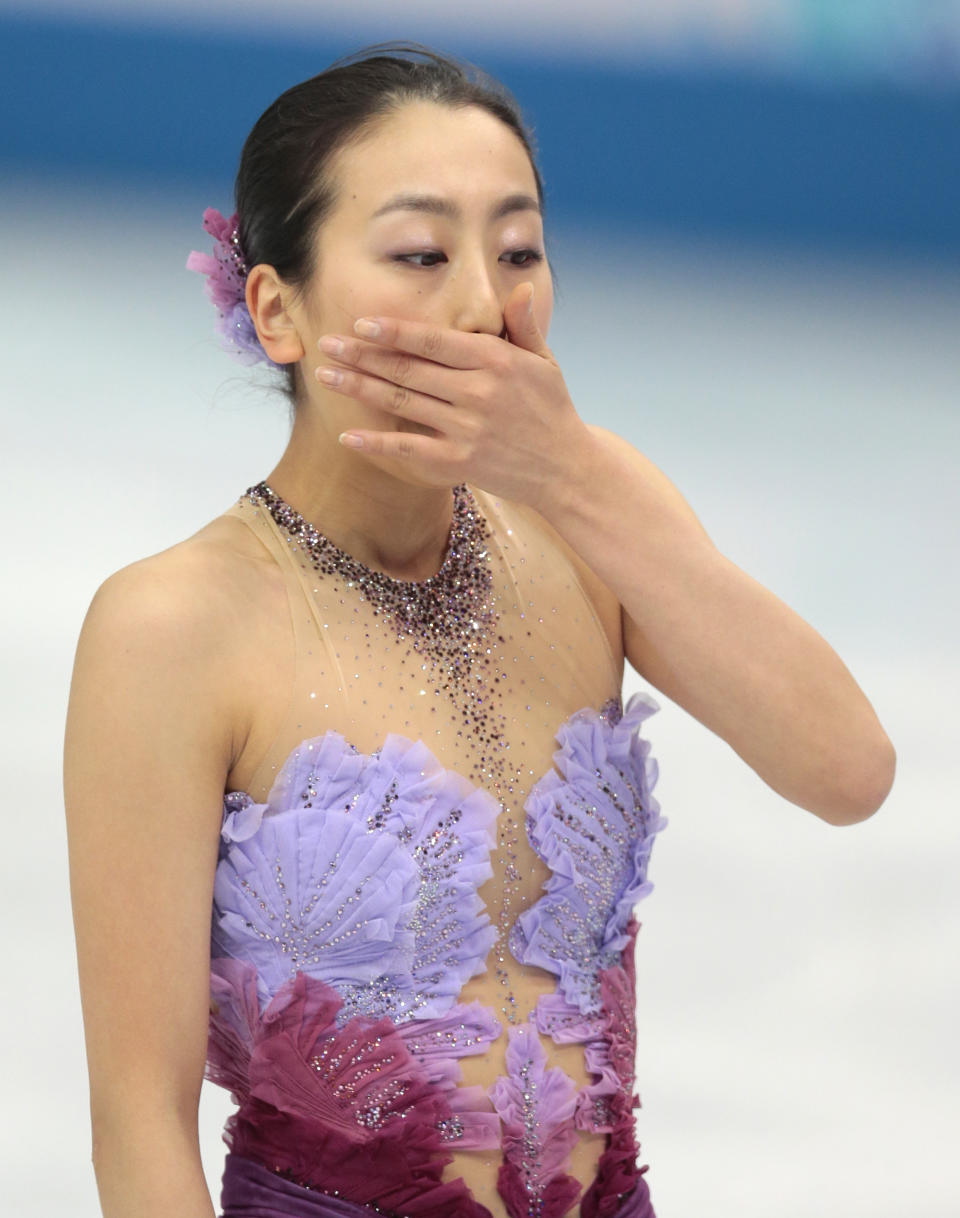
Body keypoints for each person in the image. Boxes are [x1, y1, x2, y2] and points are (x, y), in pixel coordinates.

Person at [63, 42, 896, 1218]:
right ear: (278, 310)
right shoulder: (172, 627)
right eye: (418, 253)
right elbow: (137, 1120)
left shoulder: (590, 526)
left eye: (517, 251)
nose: (477, 305)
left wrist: (576, 478)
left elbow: (847, 770)